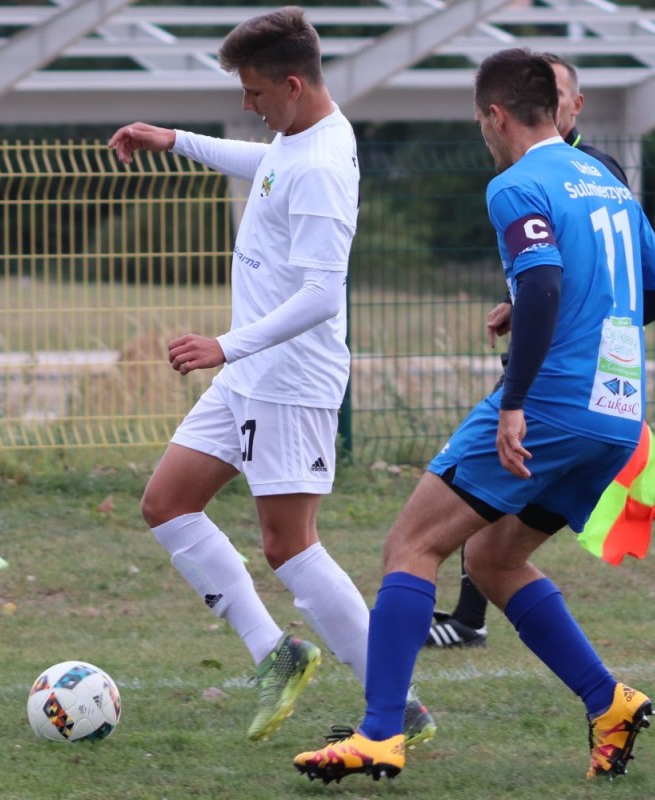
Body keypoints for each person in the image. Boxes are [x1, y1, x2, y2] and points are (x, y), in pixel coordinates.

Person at [294, 47, 655, 784]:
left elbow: (542, 286)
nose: (483, 134)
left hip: (553, 405)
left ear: (496, 116)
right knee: (493, 560)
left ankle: (379, 733)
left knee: (410, 545)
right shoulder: (603, 177)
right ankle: (609, 703)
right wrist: (572, 321)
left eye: (481, 123)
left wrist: (515, 401)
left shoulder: (515, 183)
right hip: (617, 413)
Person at [107, 6, 434, 746]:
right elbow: (266, 166)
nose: (247, 105)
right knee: (167, 504)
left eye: (254, 92)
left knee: (291, 546)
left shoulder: (320, 168)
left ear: (292, 85)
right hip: (251, 375)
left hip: (288, 381)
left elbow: (322, 295)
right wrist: (175, 140)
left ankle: (400, 705)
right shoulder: (301, 137)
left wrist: (225, 345)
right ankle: (276, 654)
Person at [426, 53, 655, 651]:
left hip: (573, 375)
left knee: (607, 480)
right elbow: (563, 275)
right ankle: (472, 615)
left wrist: (579, 331)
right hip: (573, 372)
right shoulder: (551, 172)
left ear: (573, 105)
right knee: (543, 481)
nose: (544, 102)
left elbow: (627, 282)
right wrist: (522, 304)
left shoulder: (591, 171)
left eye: (556, 91)